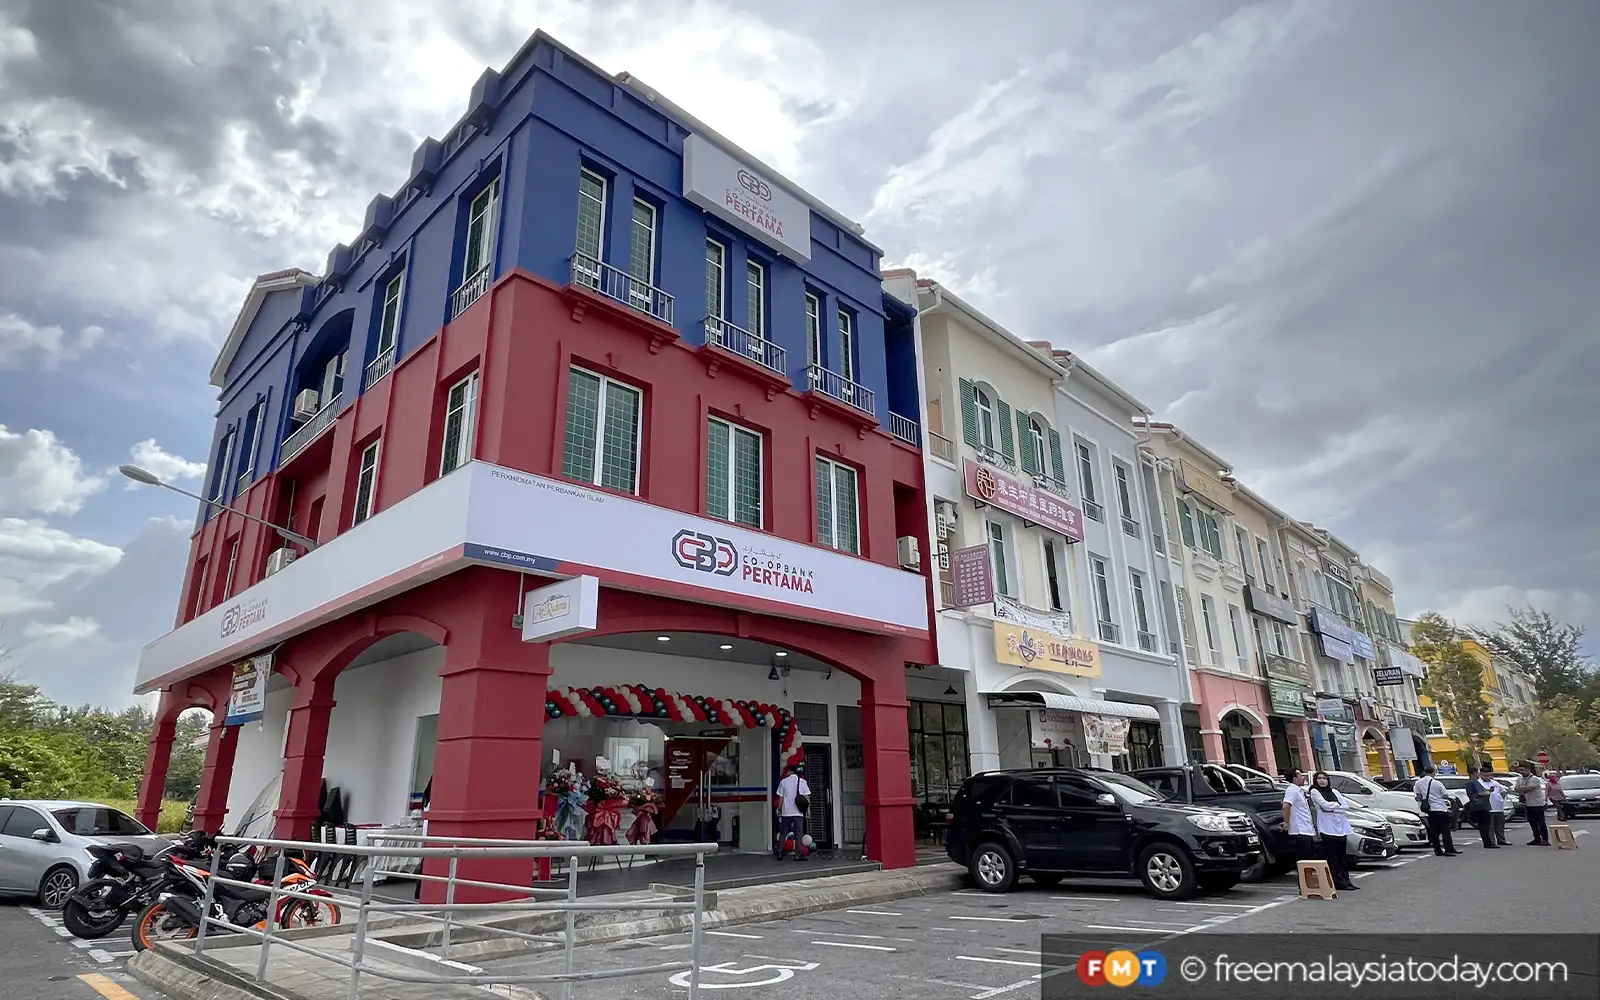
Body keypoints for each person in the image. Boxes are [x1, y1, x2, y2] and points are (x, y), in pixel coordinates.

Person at [1308, 771, 1358, 891]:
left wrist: (1333, 807)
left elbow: (1345, 806)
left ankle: (1346, 881)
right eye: (1319, 778)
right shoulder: (1315, 791)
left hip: (1341, 827)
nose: (1322, 781)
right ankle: (1338, 882)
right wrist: (1337, 806)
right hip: (1327, 828)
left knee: (1342, 857)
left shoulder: (1334, 791)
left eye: (1324, 778)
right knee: (1332, 857)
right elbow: (1325, 805)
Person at [1413, 764, 1461, 857]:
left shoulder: (1418, 783)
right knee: (1445, 830)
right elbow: (1445, 795)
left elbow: (1418, 797)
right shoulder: (1437, 783)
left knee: (1434, 831)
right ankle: (1449, 849)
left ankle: (1437, 850)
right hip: (1440, 808)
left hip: (1430, 810)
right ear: (1433, 772)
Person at [774, 763, 811, 861]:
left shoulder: (783, 782)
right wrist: (808, 811)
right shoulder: (802, 782)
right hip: (798, 812)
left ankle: (780, 852)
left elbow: (781, 798)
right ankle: (797, 854)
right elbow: (806, 797)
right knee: (798, 833)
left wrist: (779, 809)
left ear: (789, 771)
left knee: (783, 832)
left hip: (786, 812)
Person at [1464, 762, 1507, 847]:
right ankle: (1489, 842)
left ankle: (1498, 840)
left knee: (1496, 825)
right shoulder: (1475, 782)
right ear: (1475, 773)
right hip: (1481, 806)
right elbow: (1481, 793)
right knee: (1486, 826)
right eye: (1479, 773)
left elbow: (1502, 792)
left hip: (1492, 807)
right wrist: (1488, 792)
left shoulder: (1494, 783)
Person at [1281, 768, 1316, 860]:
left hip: (1306, 829)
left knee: (1310, 858)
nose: (1303, 778)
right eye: (1300, 776)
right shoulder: (1292, 790)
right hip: (1300, 830)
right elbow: (1286, 806)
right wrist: (1286, 823)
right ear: (1294, 779)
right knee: (1304, 860)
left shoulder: (1298, 790)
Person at [1514, 761, 1550, 846]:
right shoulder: (1519, 779)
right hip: (1527, 804)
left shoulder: (1534, 779)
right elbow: (1516, 788)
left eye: (1523, 770)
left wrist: (1521, 788)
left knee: (1541, 823)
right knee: (1532, 822)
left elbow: (1529, 788)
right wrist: (1521, 789)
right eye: (1520, 770)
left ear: (1528, 770)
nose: (1521, 772)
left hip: (1537, 804)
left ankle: (1545, 839)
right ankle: (1537, 838)